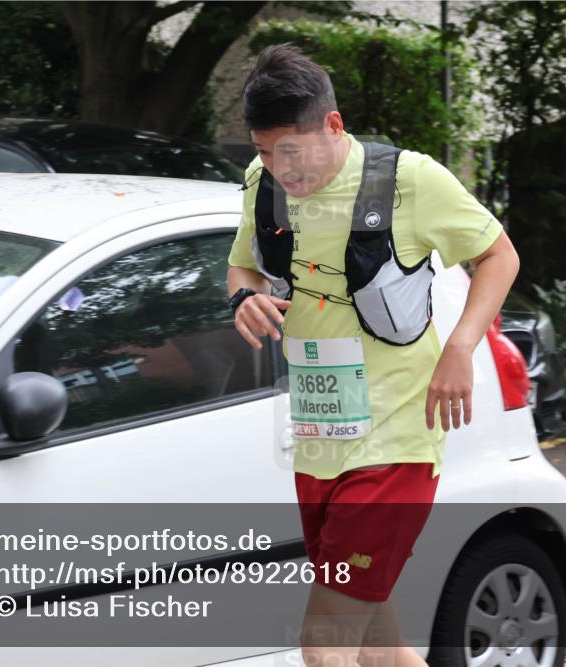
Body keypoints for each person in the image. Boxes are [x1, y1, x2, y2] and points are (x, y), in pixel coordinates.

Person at [226, 44, 520, 667]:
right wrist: (243, 301)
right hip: (321, 435)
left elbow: (500, 255)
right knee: (380, 647)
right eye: (265, 153)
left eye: (293, 154)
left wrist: (461, 346)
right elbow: (242, 271)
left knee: (324, 643)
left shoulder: (410, 181)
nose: (283, 171)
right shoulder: (263, 184)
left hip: (397, 443)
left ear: (333, 126)